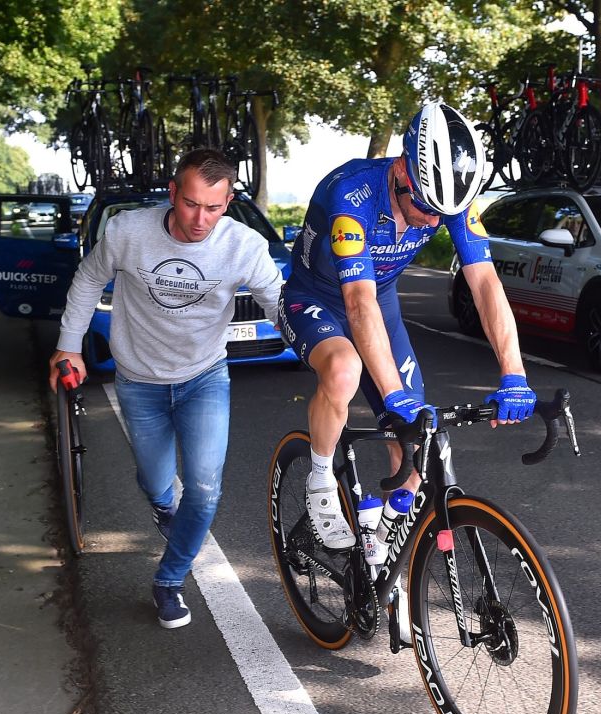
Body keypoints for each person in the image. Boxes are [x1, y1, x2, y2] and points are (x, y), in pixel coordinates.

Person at [279, 102, 537, 552]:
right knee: (344, 370)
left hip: (380, 302)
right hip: (316, 298)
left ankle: (381, 549)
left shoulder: (449, 199)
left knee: (417, 443)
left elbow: (485, 285)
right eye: (424, 207)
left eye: (443, 214)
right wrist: (391, 393)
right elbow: (357, 301)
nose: (434, 222)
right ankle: (320, 480)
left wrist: (514, 374)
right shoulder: (351, 194)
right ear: (402, 170)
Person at [48, 148, 283, 630]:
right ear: (173, 193)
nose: (200, 219)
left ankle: (169, 580)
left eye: (213, 207)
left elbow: (279, 304)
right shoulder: (128, 232)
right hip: (139, 380)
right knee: (156, 482)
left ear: (228, 201)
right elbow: (89, 278)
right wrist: (69, 345)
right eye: (191, 203)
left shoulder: (244, 245)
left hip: (205, 376)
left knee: (204, 488)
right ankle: (162, 508)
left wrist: (323, 349)